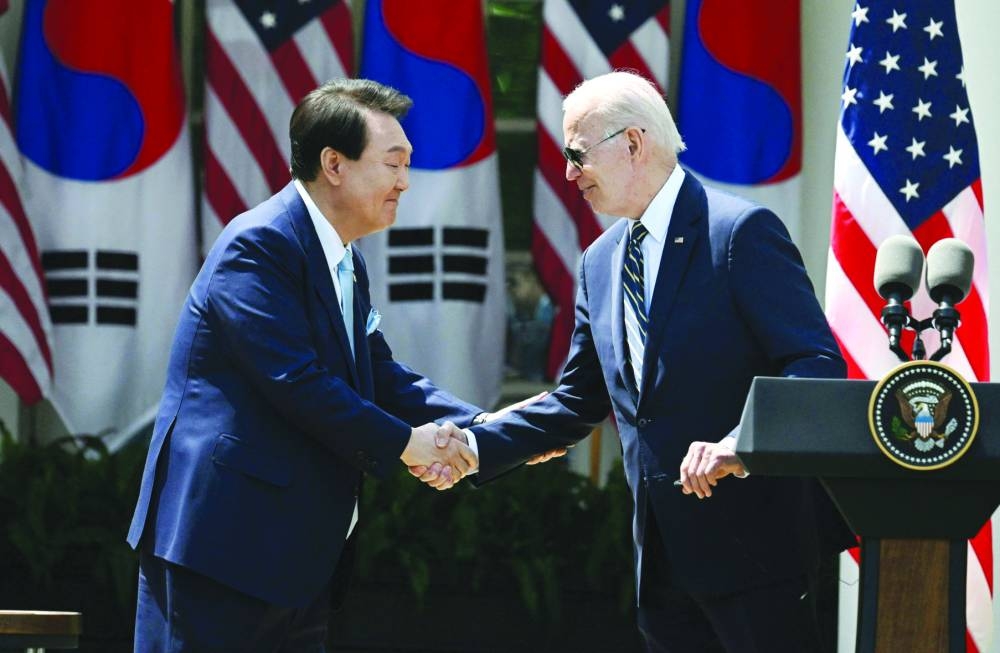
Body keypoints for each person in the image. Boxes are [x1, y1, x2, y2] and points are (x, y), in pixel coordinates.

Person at [423, 71, 855, 651]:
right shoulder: (599, 263)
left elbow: (815, 365)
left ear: (632, 143)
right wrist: (476, 446)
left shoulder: (738, 234)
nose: (569, 174)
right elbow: (579, 401)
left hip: (759, 554)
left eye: (577, 154)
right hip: (662, 562)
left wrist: (741, 444)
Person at [127, 79, 492, 652]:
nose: (404, 181)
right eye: (393, 163)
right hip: (222, 548)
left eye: (408, 165)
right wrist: (408, 445)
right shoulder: (259, 245)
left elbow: (382, 378)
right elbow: (295, 381)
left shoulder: (345, 259)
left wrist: (489, 428)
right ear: (334, 164)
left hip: (296, 561)